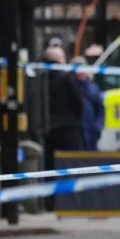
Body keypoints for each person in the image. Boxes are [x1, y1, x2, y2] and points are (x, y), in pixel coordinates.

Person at [42, 46, 84, 210]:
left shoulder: (39, 78)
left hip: (48, 129)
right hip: (68, 129)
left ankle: (50, 202)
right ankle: (70, 201)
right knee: (70, 166)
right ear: (59, 61)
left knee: (49, 168)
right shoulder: (65, 78)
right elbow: (78, 103)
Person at [70, 56, 104, 151]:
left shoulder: (93, 88)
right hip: (76, 132)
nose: (80, 72)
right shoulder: (70, 87)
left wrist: (98, 129)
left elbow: (100, 110)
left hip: (91, 132)